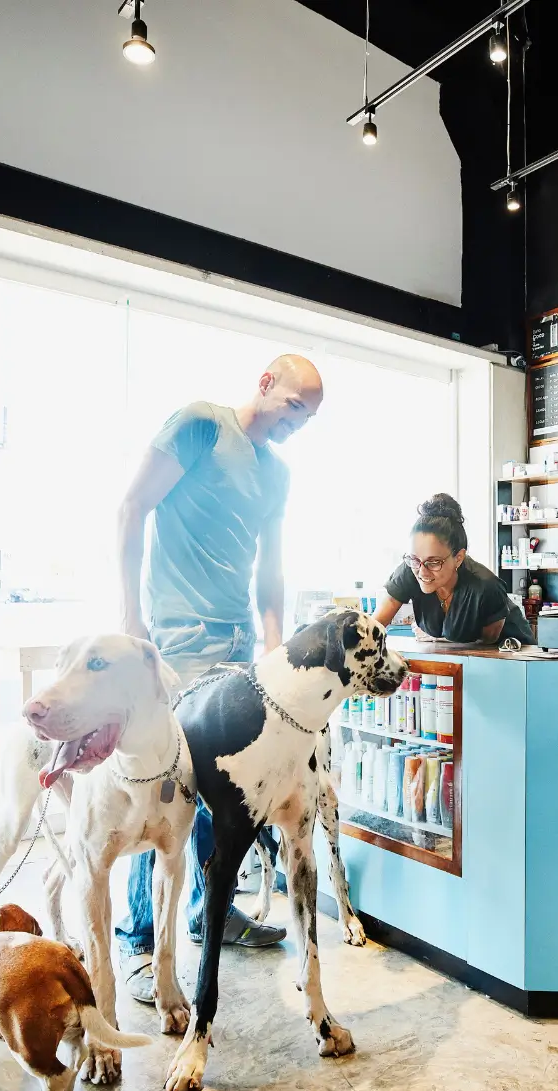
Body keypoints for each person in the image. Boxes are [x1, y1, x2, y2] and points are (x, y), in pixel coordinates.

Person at [114, 354, 324, 1003]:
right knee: (164, 794)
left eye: (309, 416)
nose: (299, 422)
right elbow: (131, 508)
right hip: (177, 642)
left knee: (226, 795)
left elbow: (271, 569)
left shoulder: (277, 473)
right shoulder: (200, 426)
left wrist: (272, 645)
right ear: (265, 383)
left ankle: (211, 913)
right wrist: (130, 620)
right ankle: (143, 945)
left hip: (238, 649)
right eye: (296, 405)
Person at [374, 494, 534, 646]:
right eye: (415, 559)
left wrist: (439, 640)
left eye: (434, 562)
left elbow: (488, 642)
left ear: (458, 557)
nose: (422, 571)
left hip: (512, 653)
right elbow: (375, 626)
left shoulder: (485, 586)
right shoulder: (412, 568)